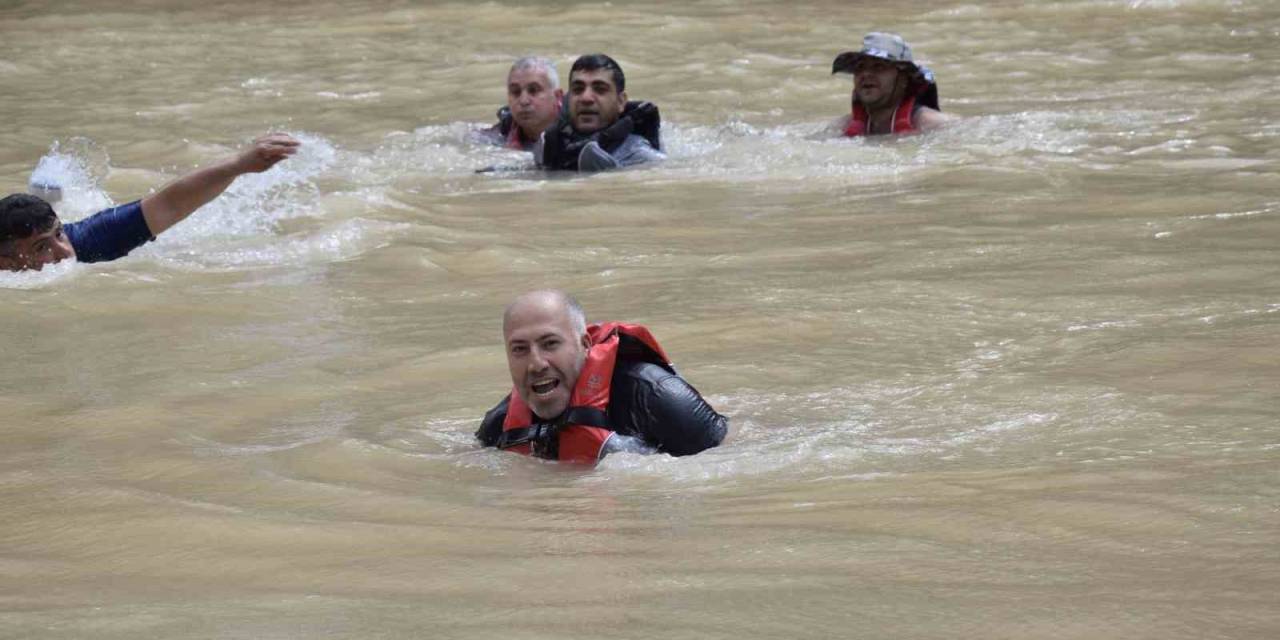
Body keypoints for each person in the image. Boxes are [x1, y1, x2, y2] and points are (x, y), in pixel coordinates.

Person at [476, 290, 727, 464]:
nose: (536, 364)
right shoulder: (499, 426)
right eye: (520, 349)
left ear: (585, 344)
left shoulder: (658, 396)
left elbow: (729, 455)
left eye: (550, 344)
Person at [0, 134, 299, 272]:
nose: (63, 251)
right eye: (42, 248)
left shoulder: (89, 241)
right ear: (7, 262)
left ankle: (50, 196)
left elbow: (170, 204)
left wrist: (238, 164)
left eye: (58, 234)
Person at [536, 54, 665, 172]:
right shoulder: (547, 146)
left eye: (600, 90)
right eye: (578, 89)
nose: (586, 98)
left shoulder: (642, 157)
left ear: (620, 102)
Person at [831, 32, 951, 136]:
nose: (865, 74)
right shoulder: (840, 128)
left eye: (878, 66)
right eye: (860, 67)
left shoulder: (936, 125)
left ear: (904, 79)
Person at [481, 57, 564, 152]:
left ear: (557, 96)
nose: (523, 101)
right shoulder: (504, 130)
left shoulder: (576, 129)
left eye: (533, 90)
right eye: (516, 92)